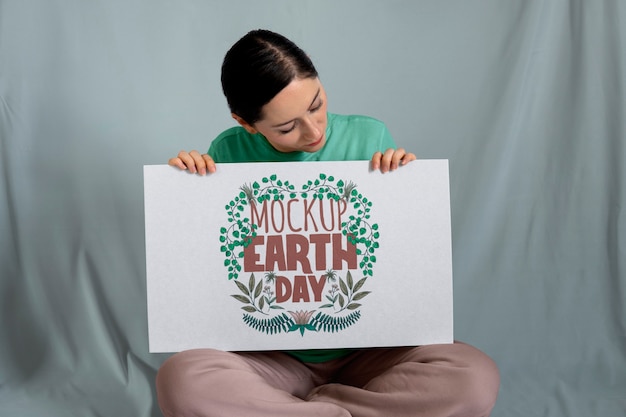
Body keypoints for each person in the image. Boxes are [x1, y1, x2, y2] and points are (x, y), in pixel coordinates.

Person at [157, 29, 500, 417]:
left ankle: (313, 409)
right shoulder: (228, 150)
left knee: (473, 376)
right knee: (181, 378)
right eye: (288, 127)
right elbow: (215, 268)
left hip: (369, 352)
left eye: (316, 104)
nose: (314, 131)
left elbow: (395, 263)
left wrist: (404, 189)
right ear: (247, 123)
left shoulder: (369, 135)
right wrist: (188, 183)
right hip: (271, 356)